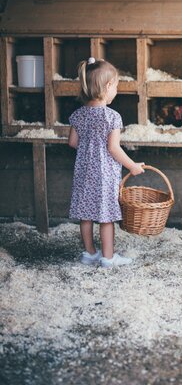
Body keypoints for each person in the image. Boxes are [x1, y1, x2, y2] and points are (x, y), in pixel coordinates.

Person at [68, 57, 144, 268]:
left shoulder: (77, 115)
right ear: (108, 86)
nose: (116, 91)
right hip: (104, 175)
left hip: (83, 173)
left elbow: (73, 142)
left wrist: (88, 151)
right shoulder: (112, 117)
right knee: (105, 217)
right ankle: (108, 258)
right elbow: (113, 149)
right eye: (116, 86)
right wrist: (132, 166)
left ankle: (90, 253)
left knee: (85, 215)